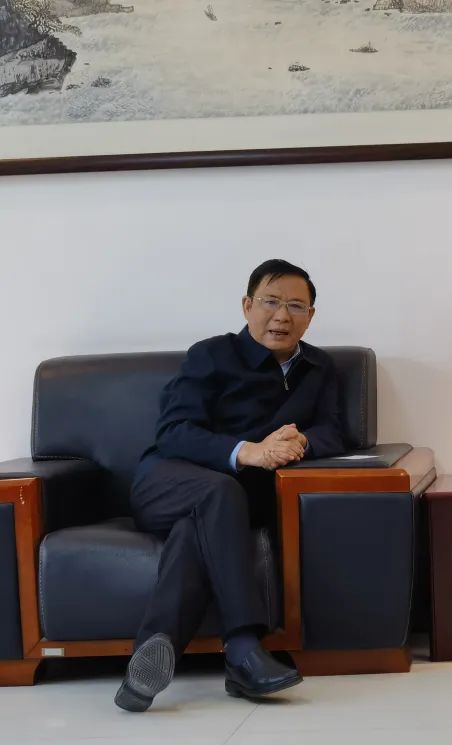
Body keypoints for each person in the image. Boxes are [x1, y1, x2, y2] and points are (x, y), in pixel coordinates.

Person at [115, 259, 346, 712]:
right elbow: (174, 431)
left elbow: (336, 432)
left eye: (296, 306)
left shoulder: (319, 367)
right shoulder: (211, 355)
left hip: (233, 503)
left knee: (198, 528)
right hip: (169, 480)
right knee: (218, 492)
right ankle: (242, 648)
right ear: (247, 305)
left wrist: (300, 441)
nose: (282, 316)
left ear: (311, 316)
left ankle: (150, 656)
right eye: (271, 302)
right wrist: (247, 451)